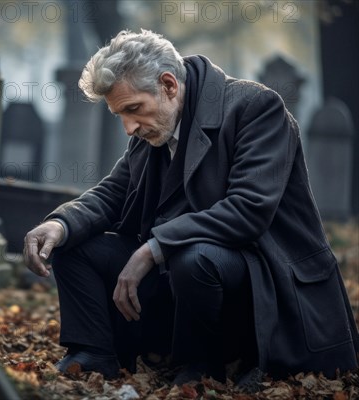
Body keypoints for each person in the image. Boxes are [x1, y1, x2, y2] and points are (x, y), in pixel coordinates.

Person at [23, 30, 358, 388]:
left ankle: (202, 366)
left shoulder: (255, 108)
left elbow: (248, 210)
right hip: (187, 274)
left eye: (133, 109)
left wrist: (154, 248)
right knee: (74, 244)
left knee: (193, 256)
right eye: (119, 114)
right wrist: (60, 223)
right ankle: (92, 353)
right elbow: (114, 192)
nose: (129, 127)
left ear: (168, 85)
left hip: (261, 274)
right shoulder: (155, 127)